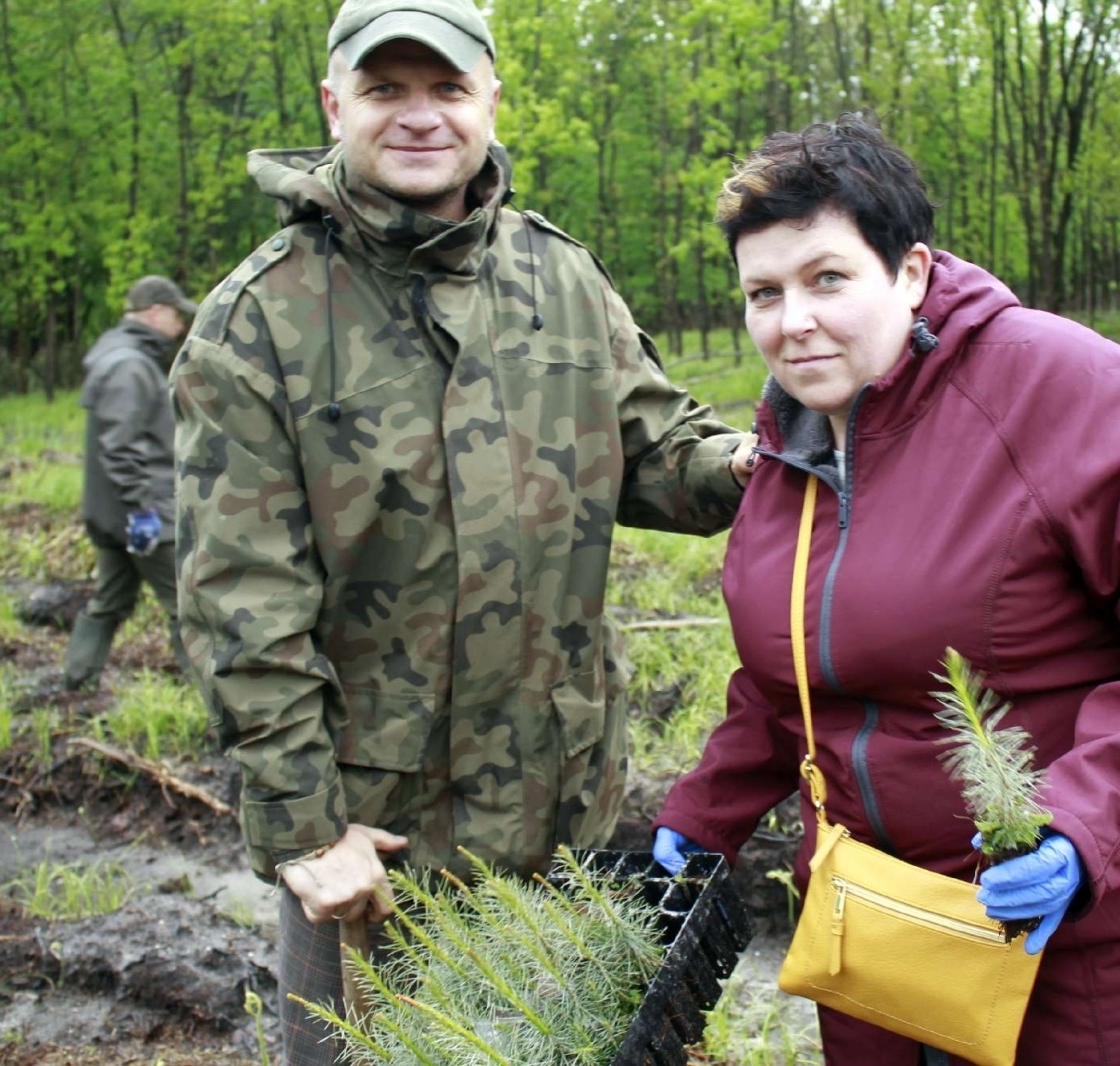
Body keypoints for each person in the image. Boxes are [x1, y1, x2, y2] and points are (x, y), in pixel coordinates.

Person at [168, 1, 754, 1062]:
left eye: (445, 87)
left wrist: (763, 460)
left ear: (489, 96)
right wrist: (307, 830)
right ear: (332, 102)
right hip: (375, 851)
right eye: (386, 89)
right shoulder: (260, 320)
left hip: (557, 813)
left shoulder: (560, 278)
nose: (419, 116)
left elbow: (662, 457)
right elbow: (239, 604)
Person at [652, 118, 1120, 1066]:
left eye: (828, 278)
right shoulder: (788, 442)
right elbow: (790, 671)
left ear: (909, 272)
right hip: (877, 917)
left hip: (1083, 924)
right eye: (763, 292)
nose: (794, 320)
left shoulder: (1067, 389)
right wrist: (703, 818)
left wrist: (1084, 825)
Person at [63, 274, 196, 691]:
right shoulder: (130, 366)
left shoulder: (117, 356)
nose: (180, 326)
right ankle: (214, 704)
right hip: (144, 516)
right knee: (188, 606)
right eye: (176, 315)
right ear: (155, 312)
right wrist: (143, 511)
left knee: (111, 601)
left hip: (111, 514)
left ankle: (77, 681)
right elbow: (119, 447)